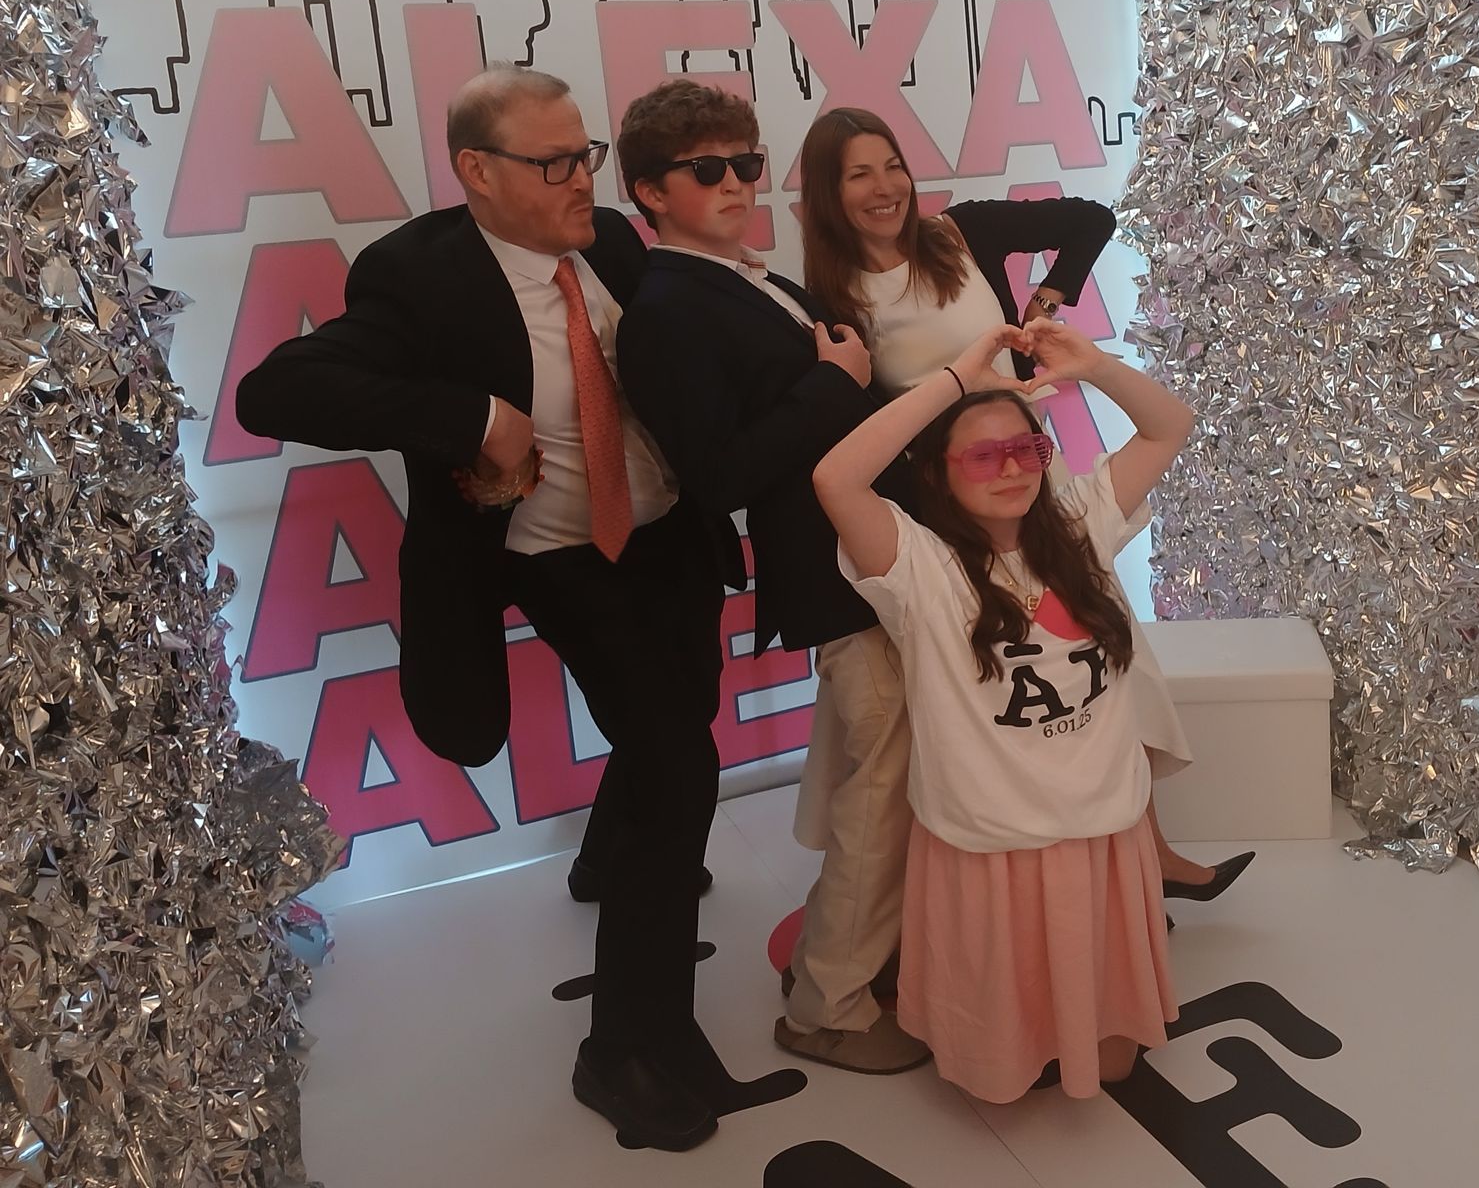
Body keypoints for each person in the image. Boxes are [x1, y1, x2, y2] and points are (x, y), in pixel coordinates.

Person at [236, 67, 786, 1153]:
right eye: (554, 162)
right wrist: (466, 414)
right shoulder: (416, 275)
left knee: (677, 725)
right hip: (555, 551)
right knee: (679, 768)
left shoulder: (620, 247)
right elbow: (276, 391)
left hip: (665, 530)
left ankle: (605, 858)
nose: (583, 178)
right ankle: (626, 1046)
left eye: (583, 153)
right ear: (476, 172)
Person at [798, 107, 1253, 900]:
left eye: (891, 165)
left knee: (1107, 642)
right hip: (944, 506)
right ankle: (1079, 854)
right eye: (857, 174)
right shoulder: (828, 297)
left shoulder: (959, 233)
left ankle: (1141, 841)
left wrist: (1046, 302)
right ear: (829, 195)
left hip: (1026, 473)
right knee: (1007, 679)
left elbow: (1089, 220)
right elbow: (859, 438)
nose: (883, 189)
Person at [612, 81, 930, 1075]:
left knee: (887, 776)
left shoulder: (747, 277)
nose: (735, 184)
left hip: (880, 553)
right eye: (706, 171)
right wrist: (831, 383)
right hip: (829, 570)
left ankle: (871, 957)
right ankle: (828, 1005)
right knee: (881, 787)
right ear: (647, 193)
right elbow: (716, 478)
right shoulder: (665, 309)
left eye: (747, 164)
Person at [811, 317, 1195, 1101]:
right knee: (1007, 1070)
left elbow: (1169, 426)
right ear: (939, 473)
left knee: (1113, 1059)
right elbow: (835, 480)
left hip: (1102, 834)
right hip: (991, 843)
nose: (1011, 468)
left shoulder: (1081, 525)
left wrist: (1093, 366)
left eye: (1027, 450)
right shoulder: (919, 565)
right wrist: (956, 378)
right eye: (982, 455)